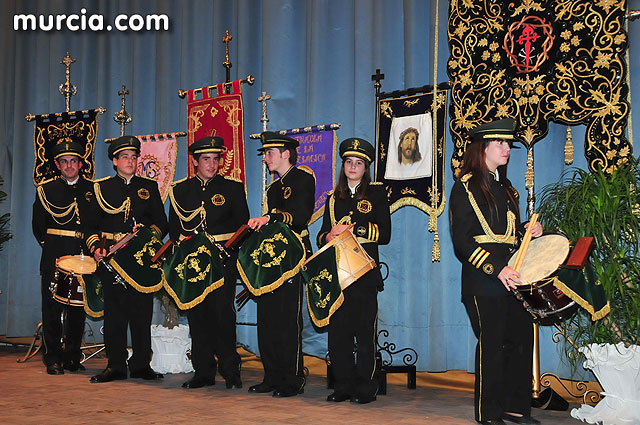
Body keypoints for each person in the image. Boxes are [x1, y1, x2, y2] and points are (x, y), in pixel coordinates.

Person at [449, 118, 542, 425]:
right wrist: (496, 268)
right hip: (483, 279)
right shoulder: (464, 188)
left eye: (508, 144)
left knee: (520, 340)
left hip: (513, 277)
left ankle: (516, 409)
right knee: (493, 344)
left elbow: (511, 235)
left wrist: (532, 229)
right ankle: (489, 414)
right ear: (482, 148)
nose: (507, 149)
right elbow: (462, 242)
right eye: (500, 143)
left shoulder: (508, 189)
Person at [168, 136, 249, 389]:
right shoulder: (180, 190)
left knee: (223, 315)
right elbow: (174, 231)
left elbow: (242, 227)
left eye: (216, 159)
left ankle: (230, 370)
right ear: (194, 161)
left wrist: (228, 254)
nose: (212, 165)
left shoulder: (233, 188)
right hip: (193, 265)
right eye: (206, 159)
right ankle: (203, 372)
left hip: (222, 262)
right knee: (197, 316)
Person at [86, 135, 168, 383]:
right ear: (114, 161)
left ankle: (142, 364)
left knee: (142, 314)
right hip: (112, 259)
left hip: (140, 261)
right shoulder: (100, 188)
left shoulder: (149, 187)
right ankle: (116, 365)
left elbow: (161, 223)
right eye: (125, 157)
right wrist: (96, 248)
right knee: (115, 316)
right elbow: (90, 226)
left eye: (134, 157)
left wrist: (145, 237)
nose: (130, 161)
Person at [317, 137, 391, 404]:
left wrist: (352, 230)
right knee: (339, 335)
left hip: (365, 275)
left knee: (364, 334)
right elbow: (321, 235)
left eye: (358, 163)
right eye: (348, 161)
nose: (352, 166)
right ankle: (343, 386)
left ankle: (366, 388)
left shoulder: (377, 194)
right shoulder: (332, 198)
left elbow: (384, 234)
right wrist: (327, 236)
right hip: (338, 276)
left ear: (366, 167)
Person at [246, 131, 315, 397]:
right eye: (264, 153)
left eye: (269, 153)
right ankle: (272, 376)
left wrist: (270, 217)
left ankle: (293, 378)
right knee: (267, 319)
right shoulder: (273, 188)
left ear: (286, 153)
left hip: (293, 258)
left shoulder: (303, 178)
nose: (265, 158)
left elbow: (299, 217)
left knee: (288, 320)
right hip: (271, 260)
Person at [32, 141, 94, 375]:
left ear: (80, 164)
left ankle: (72, 357)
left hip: (83, 255)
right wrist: (53, 251)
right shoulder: (46, 190)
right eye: (64, 161)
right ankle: (52, 358)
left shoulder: (91, 189)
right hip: (55, 255)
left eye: (74, 161)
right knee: (51, 308)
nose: (69, 165)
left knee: (78, 309)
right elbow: (39, 227)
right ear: (58, 165)